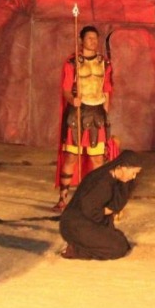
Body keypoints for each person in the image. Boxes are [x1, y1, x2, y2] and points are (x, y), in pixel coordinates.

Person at [54, 25, 114, 210]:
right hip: (78, 113)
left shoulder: (104, 63)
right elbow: (65, 89)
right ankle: (63, 199)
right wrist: (73, 99)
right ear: (81, 40)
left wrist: (106, 108)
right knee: (71, 156)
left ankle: (96, 199)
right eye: (89, 39)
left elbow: (106, 89)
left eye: (95, 39)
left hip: (97, 114)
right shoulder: (72, 63)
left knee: (97, 160)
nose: (93, 42)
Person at [59, 149, 143, 260]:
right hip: (76, 225)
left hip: (91, 221)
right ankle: (76, 250)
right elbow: (90, 210)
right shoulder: (102, 183)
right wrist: (107, 211)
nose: (133, 177)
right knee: (117, 248)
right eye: (133, 173)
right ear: (123, 168)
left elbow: (117, 204)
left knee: (122, 242)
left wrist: (109, 209)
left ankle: (85, 244)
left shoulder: (116, 178)